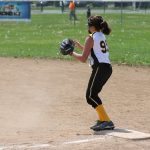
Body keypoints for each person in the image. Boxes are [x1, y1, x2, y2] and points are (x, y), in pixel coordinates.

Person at [70, 16, 115, 131]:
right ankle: (103, 119)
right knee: (93, 94)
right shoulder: (100, 35)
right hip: (106, 68)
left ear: (92, 27)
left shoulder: (90, 38)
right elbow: (93, 51)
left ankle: (106, 121)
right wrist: (79, 46)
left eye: (89, 25)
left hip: (100, 68)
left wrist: (71, 53)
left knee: (90, 96)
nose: (88, 27)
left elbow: (83, 58)